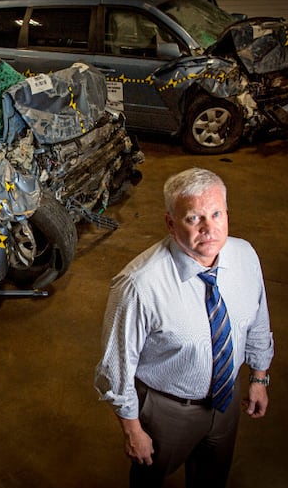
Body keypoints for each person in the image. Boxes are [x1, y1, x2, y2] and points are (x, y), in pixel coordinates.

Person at [94, 167, 274, 488]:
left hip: (225, 402)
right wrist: (133, 430)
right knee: (150, 480)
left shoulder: (245, 256)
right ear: (170, 223)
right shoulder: (139, 285)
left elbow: (257, 320)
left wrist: (259, 376)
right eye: (193, 218)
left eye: (216, 214)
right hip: (167, 413)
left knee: (212, 479)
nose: (209, 228)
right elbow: (116, 366)